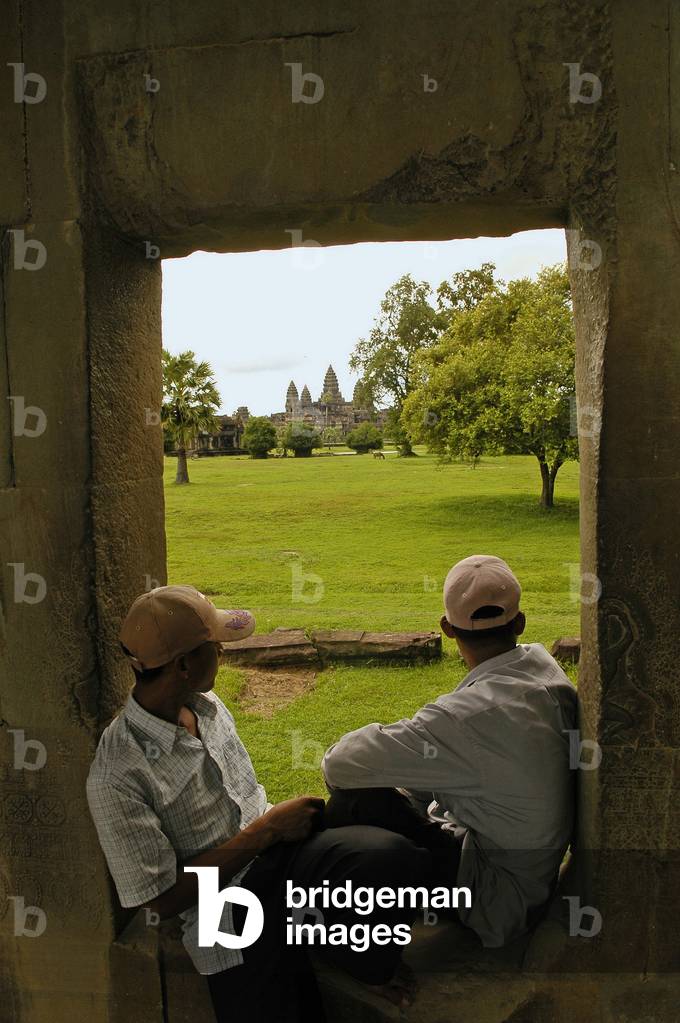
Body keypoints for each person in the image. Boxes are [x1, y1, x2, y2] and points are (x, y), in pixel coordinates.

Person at [86, 585, 430, 1023]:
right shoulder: (118, 773)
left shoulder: (206, 707)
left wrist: (273, 830)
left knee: (387, 853)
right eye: (214, 647)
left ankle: (353, 957)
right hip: (226, 912)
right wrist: (265, 831)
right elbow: (160, 901)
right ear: (185, 664)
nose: (224, 655)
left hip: (281, 862)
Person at [322, 554, 578, 949]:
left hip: (496, 897)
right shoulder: (545, 673)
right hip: (529, 871)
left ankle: (353, 942)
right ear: (520, 622)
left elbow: (341, 763)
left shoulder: (465, 719)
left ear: (446, 628)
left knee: (353, 804)